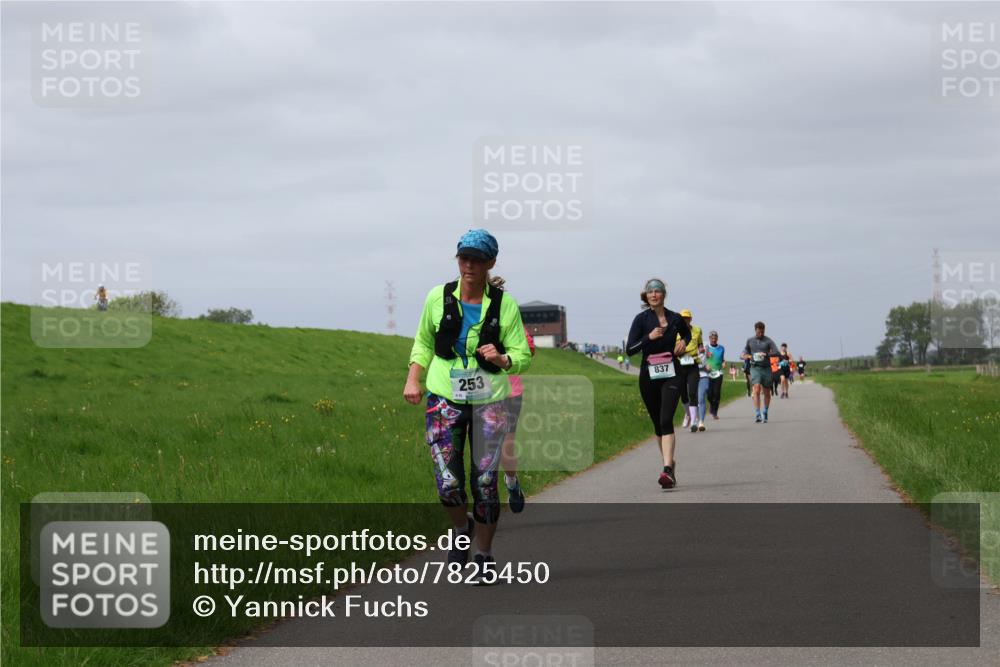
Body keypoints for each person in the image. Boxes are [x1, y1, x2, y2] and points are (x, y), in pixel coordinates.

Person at [404, 229, 532, 579]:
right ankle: (462, 531)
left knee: (486, 483)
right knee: (447, 482)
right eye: (464, 258)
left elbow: (522, 355)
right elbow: (423, 343)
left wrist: (504, 359)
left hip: (490, 401)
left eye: (477, 259)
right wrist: (413, 378)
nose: (469, 265)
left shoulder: (504, 305)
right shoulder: (437, 297)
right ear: (457, 260)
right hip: (444, 398)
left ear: (490, 263)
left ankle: (484, 555)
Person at [626, 278, 691, 489]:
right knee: (657, 425)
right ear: (646, 296)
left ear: (664, 295)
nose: (654, 294)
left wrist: (683, 342)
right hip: (649, 376)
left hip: (672, 373)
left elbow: (687, 333)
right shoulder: (641, 319)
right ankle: (669, 464)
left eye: (658, 291)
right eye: (650, 292)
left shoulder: (675, 318)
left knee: (666, 420)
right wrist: (649, 337)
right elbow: (630, 349)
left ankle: (666, 470)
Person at [742, 321, 779, 423]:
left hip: (766, 368)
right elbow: (743, 353)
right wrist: (748, 356)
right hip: (755, 368)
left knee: (767, 392)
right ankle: (758, 413)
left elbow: (777, 352)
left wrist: (767, 354)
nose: (761, 334)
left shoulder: (768, 341)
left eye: (762, 332)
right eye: (759, 332)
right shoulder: (750, 340)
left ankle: (765, 411)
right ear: (755, 331)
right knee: (757, 389)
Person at [676, 309, 704, 433]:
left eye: (687, 318)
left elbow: (700, 345)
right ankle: (687, 414)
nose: (685, 320)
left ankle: (693, 421)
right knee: (683, 394)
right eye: (683, 318)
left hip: (693, 364)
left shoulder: (697, 330)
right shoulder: (675, 332)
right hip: (680, 365)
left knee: (693, 392)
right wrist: (677, 351)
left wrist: (702, 350)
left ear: (690, 319)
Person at [700, 330, 725, 423]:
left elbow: (722, 359)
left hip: (719, 373)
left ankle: (714, 412)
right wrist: (705, 365)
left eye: (715, 338)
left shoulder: (721, 348)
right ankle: (711, 405)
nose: (714, 340)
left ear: (717, 338)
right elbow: (701, 359)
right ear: (709, 339)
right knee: (709, 393)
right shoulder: (706, 348)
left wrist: (723, 363)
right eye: (712, 338)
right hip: (708, 373)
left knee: (717, 393)